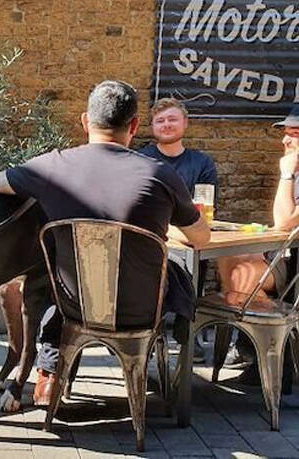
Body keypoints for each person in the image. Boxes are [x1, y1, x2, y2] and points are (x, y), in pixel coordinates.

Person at [0, 80, 210, 406]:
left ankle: (50, 371)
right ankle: (164, 378)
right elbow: (201, 237)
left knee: (58, 277)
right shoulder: (160, 174)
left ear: (86, 122)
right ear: (133, 126)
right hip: (140, 310)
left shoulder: (51, 167)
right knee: (178, 278)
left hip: (75, 305)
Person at [216, 105, 299, 379]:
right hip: (283, 256)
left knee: (242, 275)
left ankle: (262, 350)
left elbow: (285, 222)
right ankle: (262, 346)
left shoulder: (292, 172)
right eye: (285, 133)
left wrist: (286, 174)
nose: (285, 140)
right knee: (229, 258)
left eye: (294, 133)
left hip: (295, 267)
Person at [139, 97, 219, 363]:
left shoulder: (201, 162)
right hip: (150, 237)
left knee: (196, 256)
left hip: (187, 237)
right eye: (160, 121)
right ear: (151, 127)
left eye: (172, 119)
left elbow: (206, 208)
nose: (166, 125)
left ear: (185, 123)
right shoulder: (141, 158)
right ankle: (151, 331)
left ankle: (188, 331)